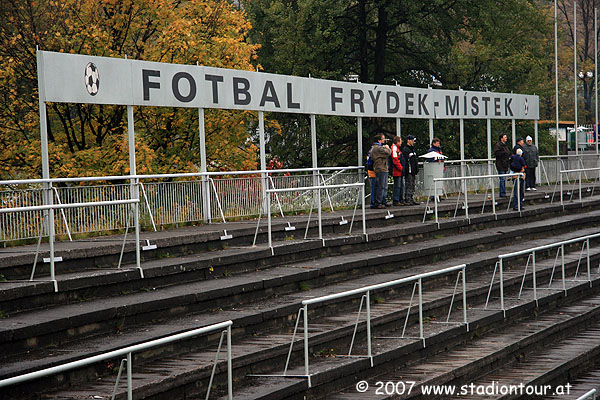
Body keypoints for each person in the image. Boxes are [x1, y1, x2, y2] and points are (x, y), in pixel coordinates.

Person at [369, 134, 392, 208]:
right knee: (380, 186)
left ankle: (383, 200)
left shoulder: (377, 148)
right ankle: (378, 202)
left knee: (384, 186)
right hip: (380, 168)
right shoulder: (378, 148)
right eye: (383, 139)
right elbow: (388, 153)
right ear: (379, 140)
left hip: (383, 168)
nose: (384, 140)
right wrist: (387, 148)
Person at [402, 135, 419, 205]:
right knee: (409, 184)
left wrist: (416, 169)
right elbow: (406, 161)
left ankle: (411, 198)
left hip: (413, 171)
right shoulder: (406, 150)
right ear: (408, 140)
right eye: (412, 140)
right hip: (409, 171)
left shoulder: (412, 149)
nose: (413, 142)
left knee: (412, 185)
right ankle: (408, 199)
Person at [493, 133, 510, 197]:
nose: (506, 138)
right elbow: (496, 153)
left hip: (505, 164)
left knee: (503, 179)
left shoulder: (505, 145)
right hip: (501, 164)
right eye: (505, 137)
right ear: (501, 138)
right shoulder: (498, 145)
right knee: (502, 179)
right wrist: (504, 153)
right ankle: (502, 193)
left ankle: (503, 192)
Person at [390, 136, 405, 206]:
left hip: (399, 170)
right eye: (400, 141)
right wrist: (401, 168)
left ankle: (400, 199)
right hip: (396, 171)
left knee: (401, 185)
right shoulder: (394, 149)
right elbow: (395, 160)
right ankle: (396, 200)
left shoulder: (397, 149)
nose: (401, 142)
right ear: (397, 142)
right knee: (397, 185)